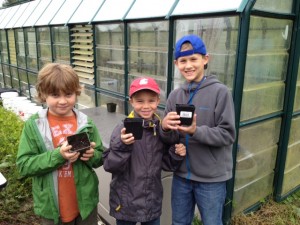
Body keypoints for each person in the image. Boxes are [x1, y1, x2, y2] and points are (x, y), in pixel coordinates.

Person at [159, 34, 236, 225]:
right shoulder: (174, 96)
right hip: (181, 176)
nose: (188, 65)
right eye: (183, 61)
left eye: (194, 59)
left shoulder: (220, 92)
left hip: (211, 179)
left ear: (205, 59)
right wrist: (164, 127)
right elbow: (167, 138)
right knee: (179, 222)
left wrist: (195, 131)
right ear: (176, 63)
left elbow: (227, 134)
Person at [16, 63, 104, 225]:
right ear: (43, 94)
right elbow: (24, 165)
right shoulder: (35, 125)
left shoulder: (86, 123)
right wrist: (59, 155)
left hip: (85, 204)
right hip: (51, 206)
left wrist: (91, 155)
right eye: (55, 95)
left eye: (69, 94)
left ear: (77, 93)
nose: (63, 101)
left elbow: (100, 157)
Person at [103, 77, 186, 225]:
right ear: (131, 102)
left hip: (151, 204)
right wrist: (123, 146)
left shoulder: (160, 129)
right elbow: (109, 165)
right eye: (140, 101)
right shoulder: (121, 129)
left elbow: (166, 164)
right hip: (125, 205)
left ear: (158, 101)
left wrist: (175, 153)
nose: (146, 106)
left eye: (151, 100)